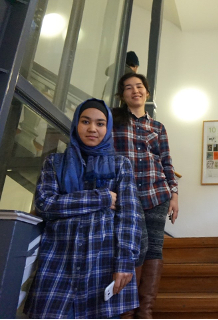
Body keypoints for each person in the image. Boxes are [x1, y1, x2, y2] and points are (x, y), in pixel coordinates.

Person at [24, 99, 142, 318]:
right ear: (76, 124)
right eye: (85, 121)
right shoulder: (54, 163)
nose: (92, 128)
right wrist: (102, 198)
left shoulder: (120, 165)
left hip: (103, 262)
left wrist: (125, 262)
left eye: (100, 123)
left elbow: (130, 217)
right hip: (58, 261)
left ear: (108, 129)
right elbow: (45, 204)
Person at [112, 73, 179, 319]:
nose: (135, 91)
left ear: (147, 92)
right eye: (128, 88)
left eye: (139, 86)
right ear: (123, 95)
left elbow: (166, 163)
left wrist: (174, 195)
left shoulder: (158, 127)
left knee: (154, 248)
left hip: (156, 193)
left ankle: (145, 310)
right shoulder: (113, 121)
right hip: (126, 196)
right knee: (131, 248)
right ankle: (126, 309)